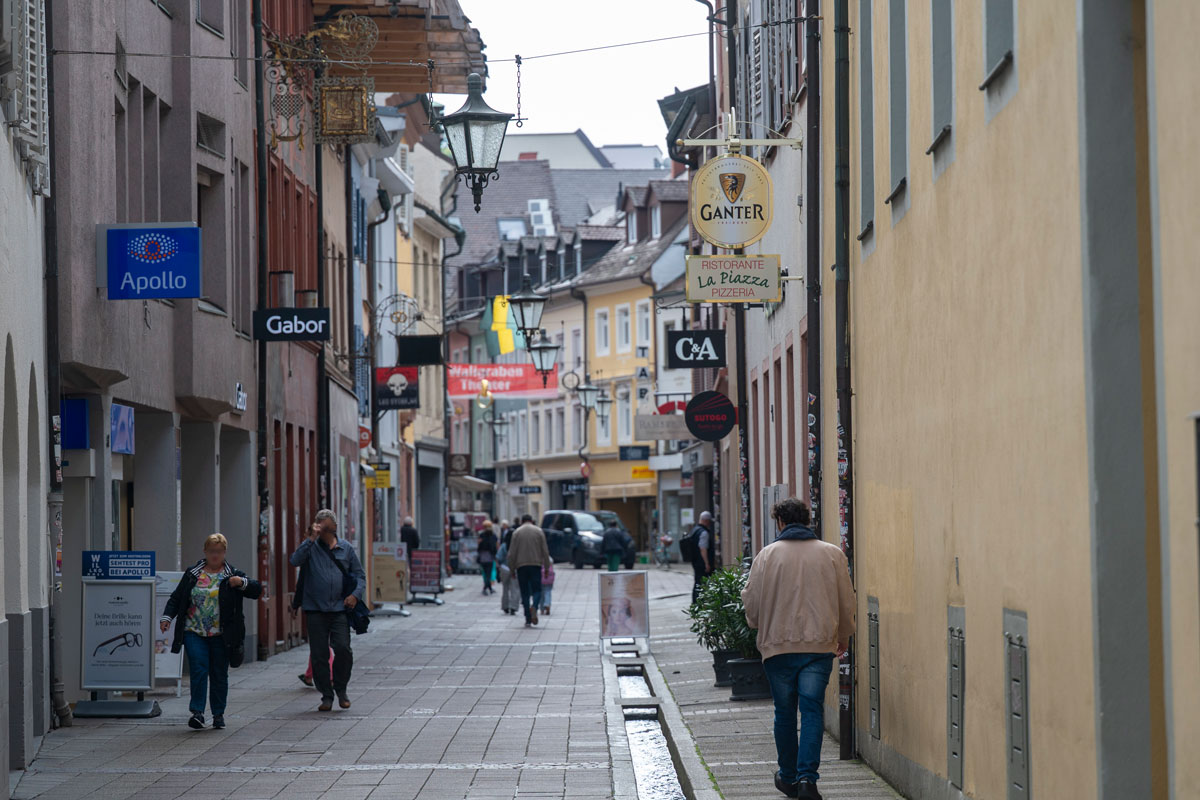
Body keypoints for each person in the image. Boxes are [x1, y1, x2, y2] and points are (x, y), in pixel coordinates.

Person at [741, 498, 855, 800]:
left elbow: (751, 604)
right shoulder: (832, 554)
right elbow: (847, 600)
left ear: (779, 521)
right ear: (807, 520)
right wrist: (843, 634)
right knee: (812, 710)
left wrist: (757, 623)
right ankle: (808, 779)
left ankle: (788, 778)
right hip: (818, 646)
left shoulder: (766, 556)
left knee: (785, 713)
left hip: (778, 647)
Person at [160, 533, 263, 730]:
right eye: (211, 551)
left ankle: (218, 714)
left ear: (224, 553)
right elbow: (177, 598)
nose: (215, 555)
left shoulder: (232, 575)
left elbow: (256, 591)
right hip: (194, 630)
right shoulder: (193, 574)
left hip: (221, 634)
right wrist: (167, 618)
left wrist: (241, 583)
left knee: (218, 673)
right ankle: (197, 712)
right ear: (205, 552)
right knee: (199, 668)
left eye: (219, 552)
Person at [289, 509, 366, 712]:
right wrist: (310, 539)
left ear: (333, 528)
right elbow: (294, 560)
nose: (322, 531)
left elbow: (360, 576)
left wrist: (355, 595)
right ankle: (327, 696)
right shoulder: (311, 548)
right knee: (319, 654)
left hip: (340, 608)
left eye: (325, 528)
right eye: (319, 527)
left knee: (342, 648)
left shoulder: (346, 549)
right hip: (315, 608)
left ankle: (341, 689)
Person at [507, 513, 552, 627]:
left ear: (522, 521)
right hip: (536, 565)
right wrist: (546, 567)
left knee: (524, 592)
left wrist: (512, 569)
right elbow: (545, 551)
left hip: (521, 566)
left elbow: (511, 553)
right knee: (537, 590)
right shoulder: (538, 531)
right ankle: (535, 607)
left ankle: (527, 617)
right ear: (531, 521)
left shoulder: (517, 532)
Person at [690, 511, 716, 603]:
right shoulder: (704, 533)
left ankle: (696, 603)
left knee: (697, 582)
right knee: (701, 583)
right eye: (709, 521)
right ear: (706, 521)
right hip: (701, 563)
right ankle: (699, 603)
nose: (709, 524)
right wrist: (707, 563)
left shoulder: (694, 530)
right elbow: (703, 549)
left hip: (695, 561)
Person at [495, 535, 521, 615]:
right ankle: (513, 607)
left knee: (505, 588)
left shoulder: (504, 546)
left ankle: (505, 606)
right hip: (515, 568)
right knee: (515, 589)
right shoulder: (518, 546)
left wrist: (499, 566)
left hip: (504, 568)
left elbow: (498, 557)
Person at [477, 520, 499, 595]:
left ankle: (486, 588)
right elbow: (496, 546)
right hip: (490, 556)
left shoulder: (481, 535)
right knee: (488, 573)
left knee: (485, 573)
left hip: (483, 556)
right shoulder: (493, 535)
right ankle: (488, 588)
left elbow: (479, 544)